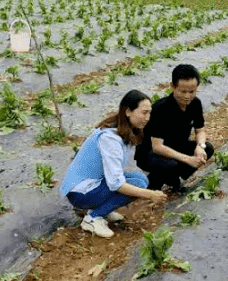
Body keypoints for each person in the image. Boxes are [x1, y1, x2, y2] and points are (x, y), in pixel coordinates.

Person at [60, 89, 168, 238]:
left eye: (149, 113)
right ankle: (93, 218)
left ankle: (101, 210)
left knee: (140, 179)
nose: (147, 118)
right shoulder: (110, 138)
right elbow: (116, 184)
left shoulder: (123, 130)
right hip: (80, 194)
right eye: (144, 113)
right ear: (128, 111)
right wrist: (150, 195)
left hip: (90, 186)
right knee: (139, 183)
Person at [135, 64, 215, 191]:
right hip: (150, 153)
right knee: (170, 165)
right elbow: (157, 147)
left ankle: (174, 178)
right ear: (172, 87)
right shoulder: (160, 109)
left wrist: (200, 146)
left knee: (208, 149)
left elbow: (200, 130)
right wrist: (188, 159)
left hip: (177, 146)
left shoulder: (195, 103)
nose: (188, 96)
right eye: (183, 91)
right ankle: (156, 181)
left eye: (192, 91)